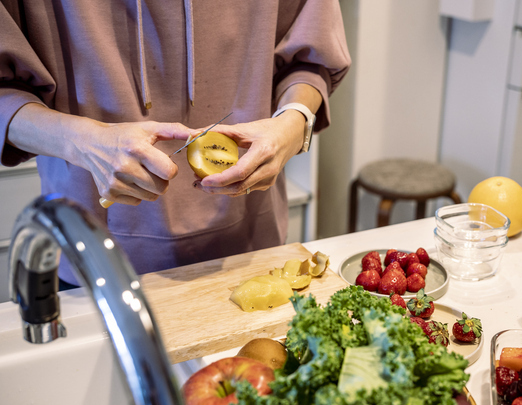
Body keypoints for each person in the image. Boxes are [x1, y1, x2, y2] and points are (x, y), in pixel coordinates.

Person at [0, 0, 351, 287]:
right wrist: (82, 143)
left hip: (251, 252)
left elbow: (309, 59)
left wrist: (292, 124)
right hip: (94, 259)